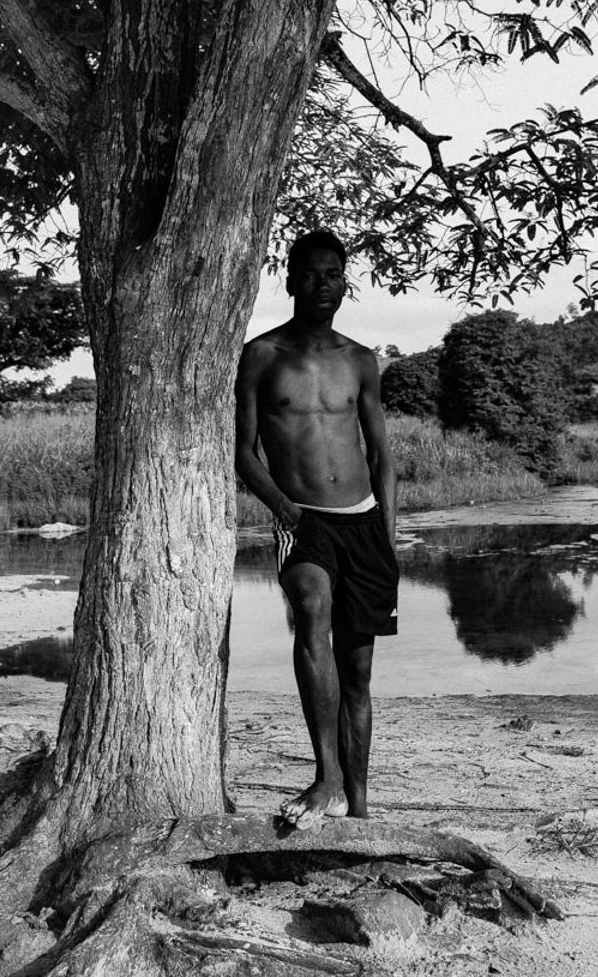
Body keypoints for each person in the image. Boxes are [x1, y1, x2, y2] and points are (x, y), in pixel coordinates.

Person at [235, 230, 398, 830]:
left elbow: (381, 454)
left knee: (358, 671)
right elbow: (243, 452)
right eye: (309, 274)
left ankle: (358, 810)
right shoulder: (262, 355)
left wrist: (389, 531)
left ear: (344, 282)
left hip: (363, 523)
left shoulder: (360, 359)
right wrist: (282, 507)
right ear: (290, 280)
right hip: (302, 521)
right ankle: (325, 773)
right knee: (311, 605)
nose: (321, 284)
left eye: (332, 274)